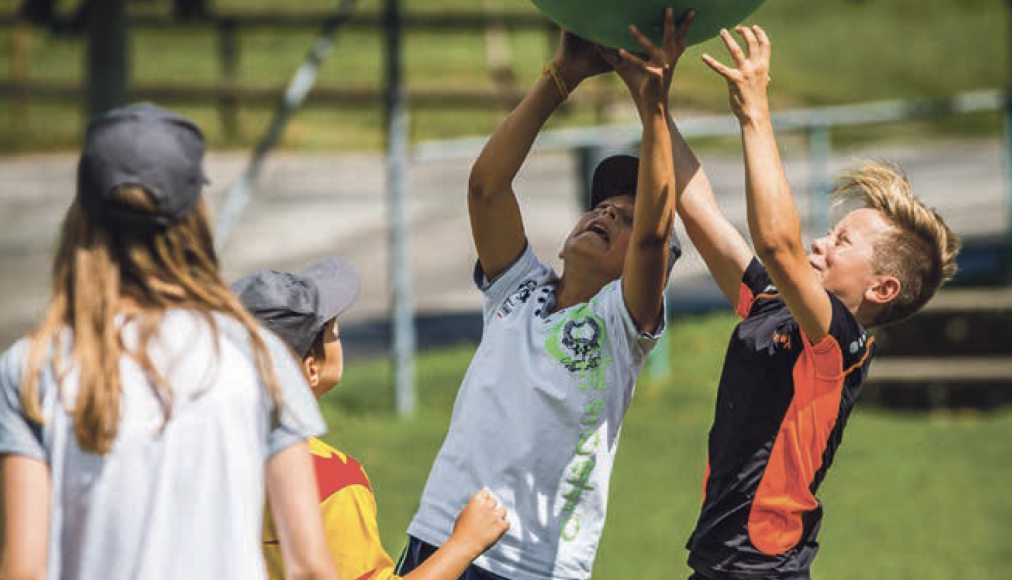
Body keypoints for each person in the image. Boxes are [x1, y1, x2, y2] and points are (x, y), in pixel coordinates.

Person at [400, 10, 689, 580]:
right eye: (603, 204)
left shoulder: (618, 326)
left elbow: (656, 235)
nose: (607, 210)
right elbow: (485, 188)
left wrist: (652, 106)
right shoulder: (517, 290)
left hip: (533, 566)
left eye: (626, 217)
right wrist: (560, 77)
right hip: (441, 533)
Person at [666, 25, 961, 578]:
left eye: (842, 241)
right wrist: (652, 97)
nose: (822, 242)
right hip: (724, 564)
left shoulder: (839, 347)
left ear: (881, 289)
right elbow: (695, 206)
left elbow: (777, 243)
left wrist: (754, 108)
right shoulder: (773, 303)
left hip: (759, 569)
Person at [0, 104, 337, 580]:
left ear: (82, 215)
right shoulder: (258, 357)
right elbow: (309, 567)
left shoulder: (34, 368)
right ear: (196, 215)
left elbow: (24, 571)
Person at [232, 259, 511, 580]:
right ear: (310, 369)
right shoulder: (327, 483)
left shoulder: (198, 456)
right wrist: (465, 542)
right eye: (333, 331)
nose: (339, 339)